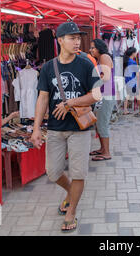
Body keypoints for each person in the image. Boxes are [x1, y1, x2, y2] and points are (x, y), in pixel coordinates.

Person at [31, 22, 101, 233]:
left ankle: (71, 211)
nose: (77, 41)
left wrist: (71, 102)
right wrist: (36, 129)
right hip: (55, 128)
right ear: (60, 40)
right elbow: (42, 98)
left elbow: (97, 95)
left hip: (80, 127)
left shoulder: (86, 64)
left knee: (79, 173)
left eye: (78, 37)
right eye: (72, 38)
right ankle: (72, 193)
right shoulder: (47, 67)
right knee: (52, 172)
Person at [89, 39, 116, 162]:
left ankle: (106, 152)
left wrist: (91, 86)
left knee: (102, 123)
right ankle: (102, 149)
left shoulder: (104, 57)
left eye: (93, 48)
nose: (91, 50)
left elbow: (105, 77)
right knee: (99, 123)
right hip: (103, 94)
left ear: (99, 48)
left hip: (106, 94)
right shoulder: (101, 58)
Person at [123, 47, 138, 115]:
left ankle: (126, 109)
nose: (136, 54)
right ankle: (125, 109)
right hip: (132, 79)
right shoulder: (133, 62)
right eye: (135, 52)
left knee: (128, 94)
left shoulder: (127, 60)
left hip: (127, 78)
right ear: (133, 53)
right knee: (129, 94)